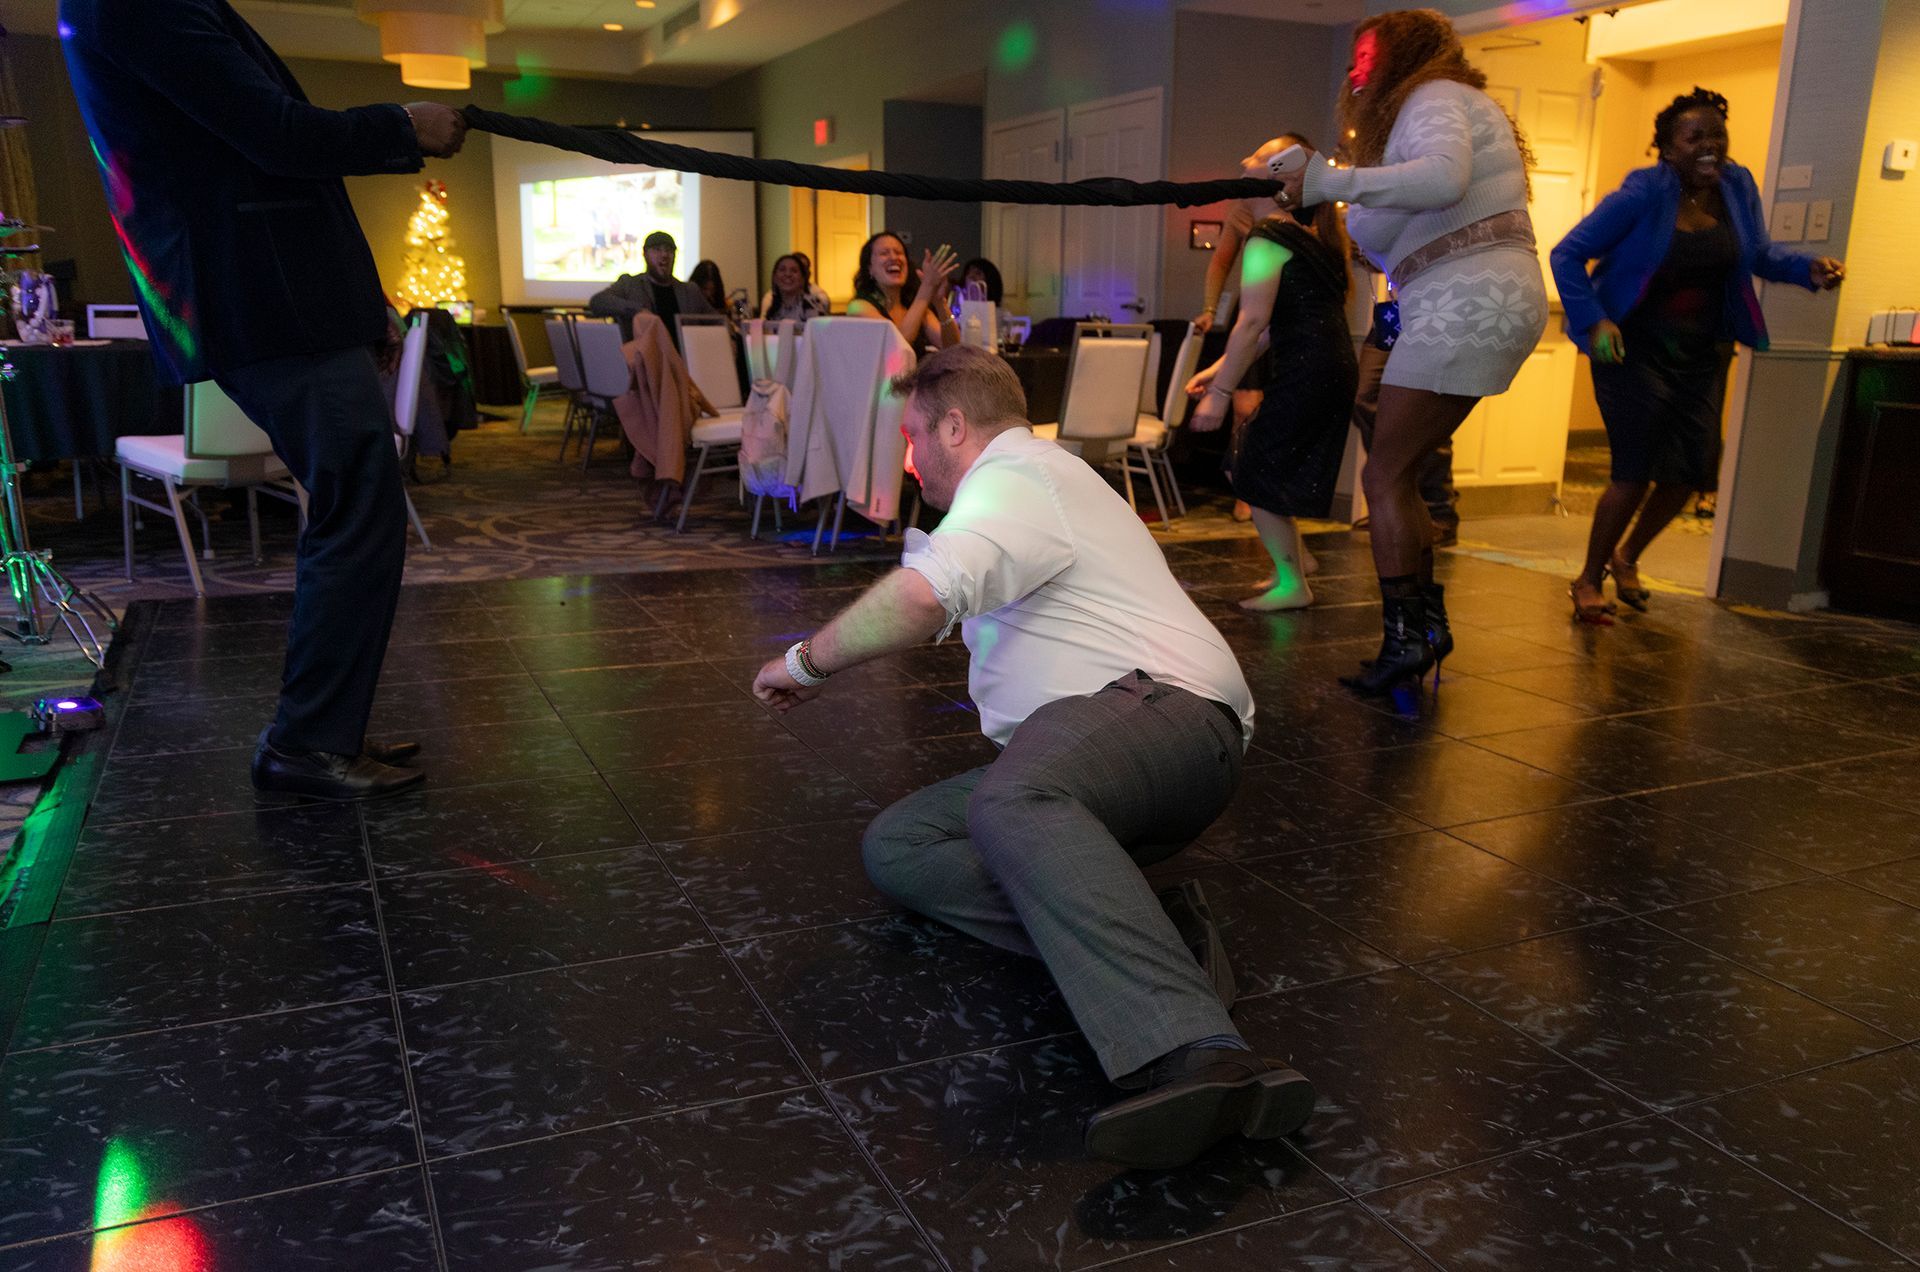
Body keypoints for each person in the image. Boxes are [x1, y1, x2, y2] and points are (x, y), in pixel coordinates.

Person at [751, 345, 1314, 1171]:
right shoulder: (1030, 486)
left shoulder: (1016, 476)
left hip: (1162, 716)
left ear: (954, 424)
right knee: (901, 847)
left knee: (1014, 802)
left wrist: (803, 662)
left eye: (913, 436)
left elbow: (923, 594)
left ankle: (1202, 1050)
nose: (907, 458)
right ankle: (1158, 941)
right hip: (1115, 752)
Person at [60, 0, 469, 800]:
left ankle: (322, 728)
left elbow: (255, 146)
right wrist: (402, 125)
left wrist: (359, 296)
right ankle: (308, 738)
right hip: (263, 298)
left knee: (356, 501)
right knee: (359, 501)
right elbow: (274, 135)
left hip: (276, 296)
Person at [1277, 9, 1548, 695]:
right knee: (1400, 471)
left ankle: (1409, 636)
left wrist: (1331, 183)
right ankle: (1423, 628)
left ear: (1407, 56)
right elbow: (1409, 216)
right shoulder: (1415, 122)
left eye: (1368, 55)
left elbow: (1442, 181)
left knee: (1385, 475)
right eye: (1353, 59)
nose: (1355, 70)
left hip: (1468, 301)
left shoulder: (1434, 98)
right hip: (1458, 301)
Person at [1553, 87, 1844, 622]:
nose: (1711, 146)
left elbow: (1756, 252)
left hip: (1704, 351)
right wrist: (1593, 319)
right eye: (1696, 137)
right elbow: (1567, 252)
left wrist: (1807, 268)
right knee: (1633, 470)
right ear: (1667, 148)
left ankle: (1627, 556)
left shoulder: (1737, 185)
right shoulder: (1641, 194)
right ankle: (1588, 580)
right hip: (1632, 349)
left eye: (1718, 135)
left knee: (1692, 469)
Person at [1186, 134, 1358, 612]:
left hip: (1310, 368)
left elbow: (1252, 321)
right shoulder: (1302, 235)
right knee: (1251, 461)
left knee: (1254, 466)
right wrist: (1217, 371)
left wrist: (1219, 395)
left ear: (1283, 172)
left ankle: (1293, 583)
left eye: (1260, 156)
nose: (1246, 157)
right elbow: (1265, 330)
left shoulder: (1268, 237)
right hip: (1325, 366)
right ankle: (1299, 563)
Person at [587, 230, 715, 345]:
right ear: (645, 254)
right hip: (643, 366)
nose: (664, 254)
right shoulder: (629, 284)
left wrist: (729, 336)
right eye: (657, 249)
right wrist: (637, 310)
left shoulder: (690, 290)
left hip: (682, 365)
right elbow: (597, 302)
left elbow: (716, 321)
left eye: (669, 250)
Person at [844, 230, 959, 351]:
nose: (894, 258)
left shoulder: (914, 305)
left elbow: (952, 347)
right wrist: (927, 288)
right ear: (870, 269)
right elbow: (898, 346)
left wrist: (940, 302)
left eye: (899, 253)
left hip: (919, 370)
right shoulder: (859, 307)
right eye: (884, 253)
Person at [759, 253, 830, 324]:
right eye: (782, 270)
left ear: (803, 278)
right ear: (774, 277)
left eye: (794, 270)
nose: (788, 274)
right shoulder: (771, 303)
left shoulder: (812, 305)